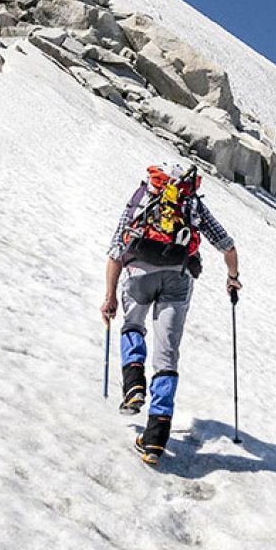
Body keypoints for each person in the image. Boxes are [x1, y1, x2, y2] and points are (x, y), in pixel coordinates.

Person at [101, 162, 242, 465]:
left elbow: (116, 250)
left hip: (138, 274)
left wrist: (110, 296)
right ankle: (155, 439)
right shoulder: (191, 204)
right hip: (178, 277)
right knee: (167, 355)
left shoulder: (144, 196)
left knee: (132, 326)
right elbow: (227, 246)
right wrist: (232, 277)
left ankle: (134, 382)